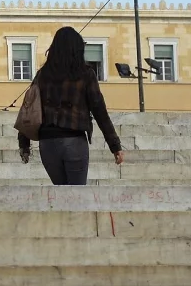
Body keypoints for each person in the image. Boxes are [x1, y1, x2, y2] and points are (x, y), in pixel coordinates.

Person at [18, 26, 125, 185]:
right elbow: (99, 111)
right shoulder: (86, 74)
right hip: (74, 140)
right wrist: (115, 145)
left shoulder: (43, 74)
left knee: (61, 194)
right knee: (76, 196)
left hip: (48, 143)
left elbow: (29, 109)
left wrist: (24, 144)